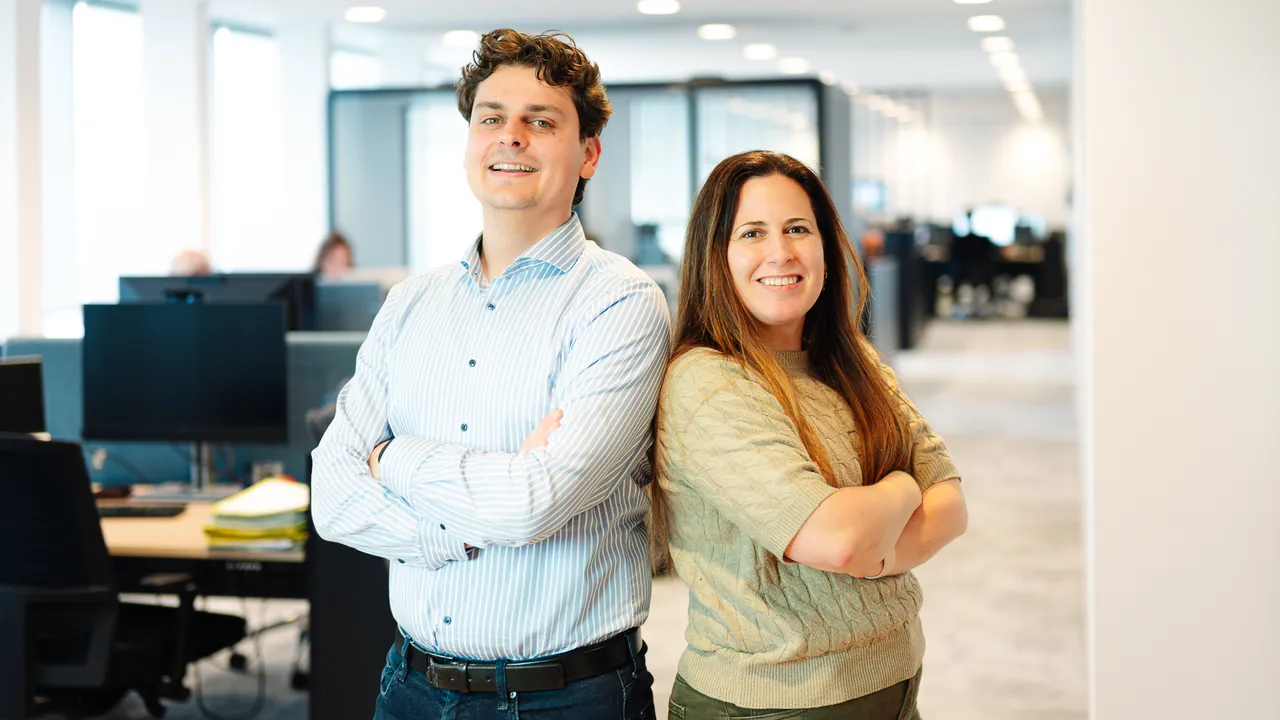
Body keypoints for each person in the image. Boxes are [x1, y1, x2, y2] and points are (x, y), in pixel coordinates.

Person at [310, 28, 669, 720]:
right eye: (492, 119)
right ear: (470, 140)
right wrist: (463, 531)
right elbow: (332, 498)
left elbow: (534, 502)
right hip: (409, 686)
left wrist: (391, 458)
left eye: (542, 122)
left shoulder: (619, 303)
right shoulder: (411, 303)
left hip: (565, 698)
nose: (512, 137)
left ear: (587, 153)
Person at [652, 151, 968, 719]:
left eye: (799, 229)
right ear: (714, 256)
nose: (782, 252)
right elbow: (839, 540)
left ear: (827, 246)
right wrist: (899, 486)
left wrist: (868, 544)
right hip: (771, 704)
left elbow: (950, 504)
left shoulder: (851, 361)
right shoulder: (708, 381)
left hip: (893, 684)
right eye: (752, 233)